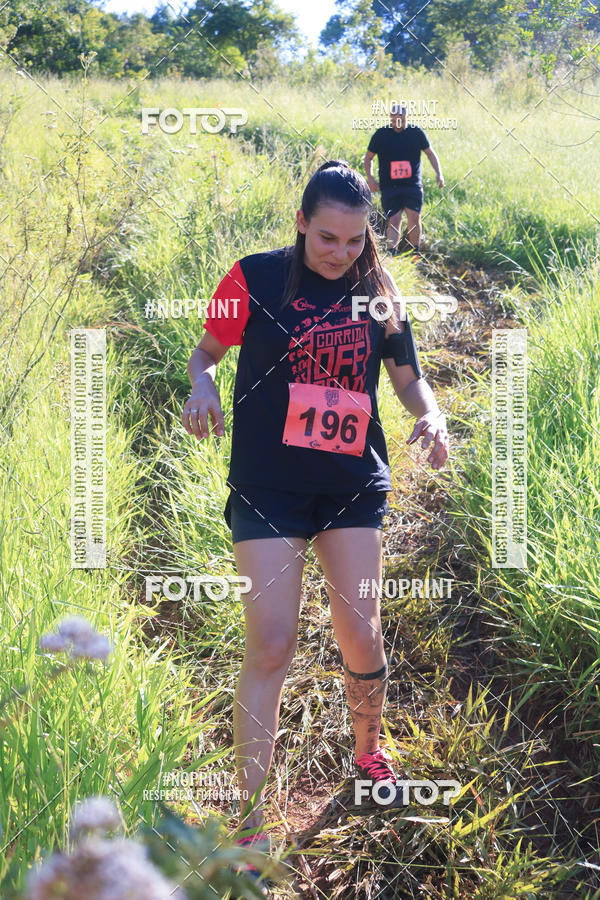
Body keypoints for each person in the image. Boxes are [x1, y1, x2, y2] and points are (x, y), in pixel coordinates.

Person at [182, 160, 449, 886]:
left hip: (348, 483)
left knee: (361, 629)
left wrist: (431, 414)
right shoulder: (254, 277)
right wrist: (203, 386)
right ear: (301, 222)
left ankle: (370, 753)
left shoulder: (377, 289)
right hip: (268, 484)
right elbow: (205, 354)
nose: (340, 252)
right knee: (271, 643)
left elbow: (407, 378)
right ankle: (248, 819)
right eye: (327, 237)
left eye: (355, 240)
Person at [364, 103, 444, 255]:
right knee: (394, 219)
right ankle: (391, 253)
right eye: (395, 118)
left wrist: (439, 174)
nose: (398, 121)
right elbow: (368, 158)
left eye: (401, 118)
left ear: (407, 117)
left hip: (412, 185)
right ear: (390, 118)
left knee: (414, 216)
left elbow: (430, 153)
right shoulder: (381, 134)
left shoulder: (416, 133)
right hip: (389, 186)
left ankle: (415, 253)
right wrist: (370, 178)